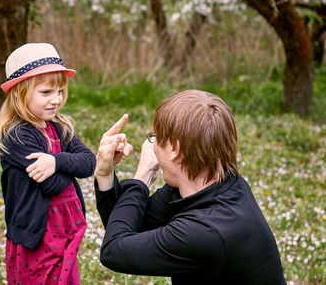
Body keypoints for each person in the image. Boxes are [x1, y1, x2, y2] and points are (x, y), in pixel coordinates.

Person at [94, 90, 286, 284]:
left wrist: (143, 175)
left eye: (156, 137)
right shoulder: (213, 184)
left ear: (175, 150)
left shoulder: (206, 231)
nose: (152, 145)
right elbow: (124, 226)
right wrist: (105, 175)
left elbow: (114, 250)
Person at [0, 43, 96, 285]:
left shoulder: (59, 126)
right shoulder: (17, 135)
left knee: (65, 279)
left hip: (66, 226)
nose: (56, 100)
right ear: (19, 93)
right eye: (46, 93)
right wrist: (69, 168)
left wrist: (56, 160)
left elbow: (88, 162)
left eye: (60, 91)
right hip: (37, 232)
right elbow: (51, 184)